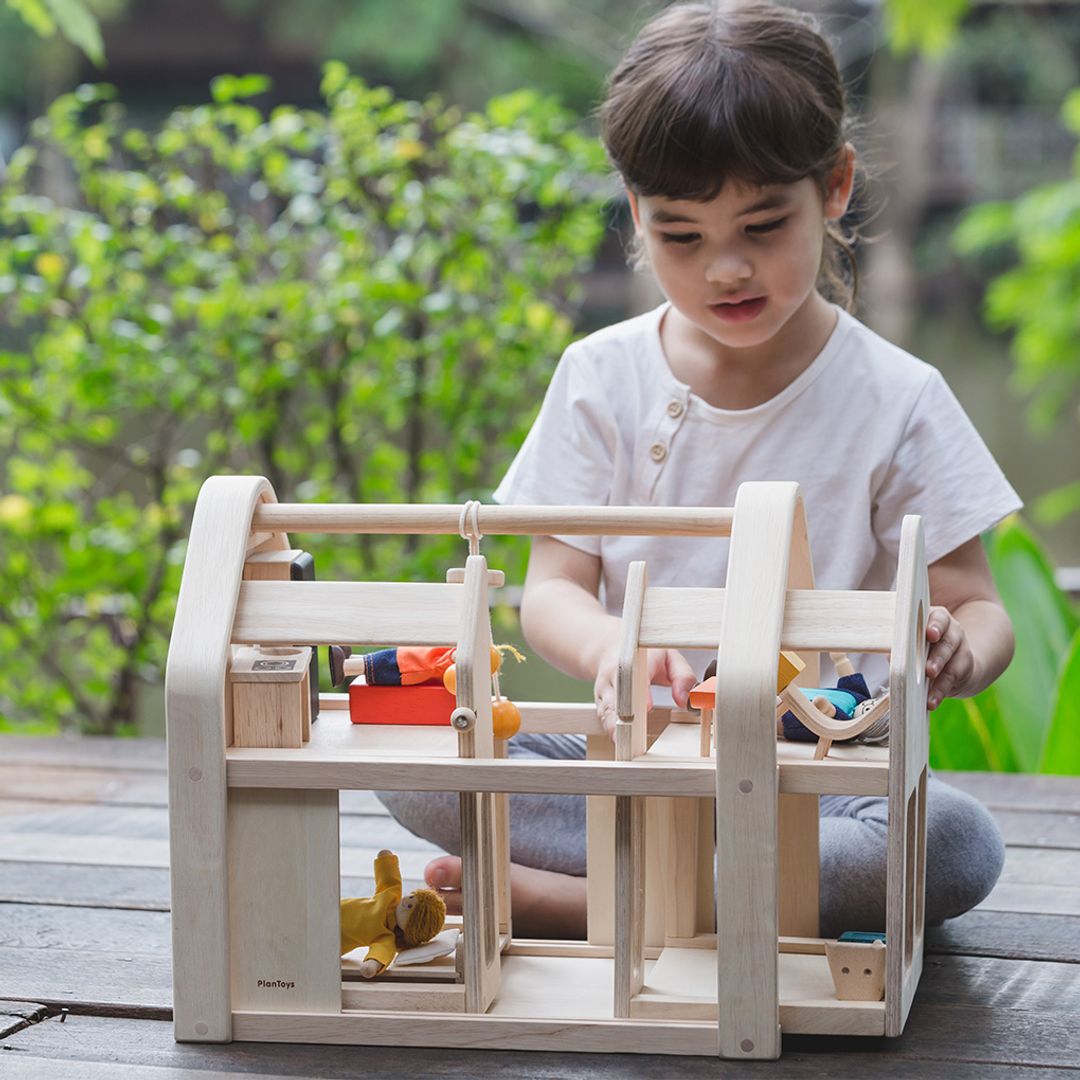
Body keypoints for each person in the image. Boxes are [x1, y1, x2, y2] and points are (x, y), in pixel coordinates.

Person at [377, 0, 1019, 939]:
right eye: (683, 237)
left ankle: (585, 905)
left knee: (955, 844)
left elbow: (979, 605)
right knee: (407, 749)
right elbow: (551, 594)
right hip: (633, 762)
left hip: (816, 784)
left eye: (762, 226)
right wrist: (615, 653)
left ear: (834, 186)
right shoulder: (601, 375)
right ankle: (704, 899)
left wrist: (960, 648)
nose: (726, 269)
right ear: (637, 214)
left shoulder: (899, 396)